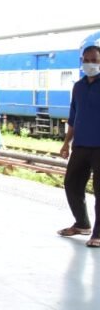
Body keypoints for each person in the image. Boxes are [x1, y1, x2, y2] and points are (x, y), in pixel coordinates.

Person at [58, 44, 100, 248]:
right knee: (72, 184)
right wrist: (66, 143)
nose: (90, 64)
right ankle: (82, 224)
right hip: (81, 145)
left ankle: (98, 233)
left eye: (95, 60)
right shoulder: (78, 87)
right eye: (87, 60)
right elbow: (73, 117)